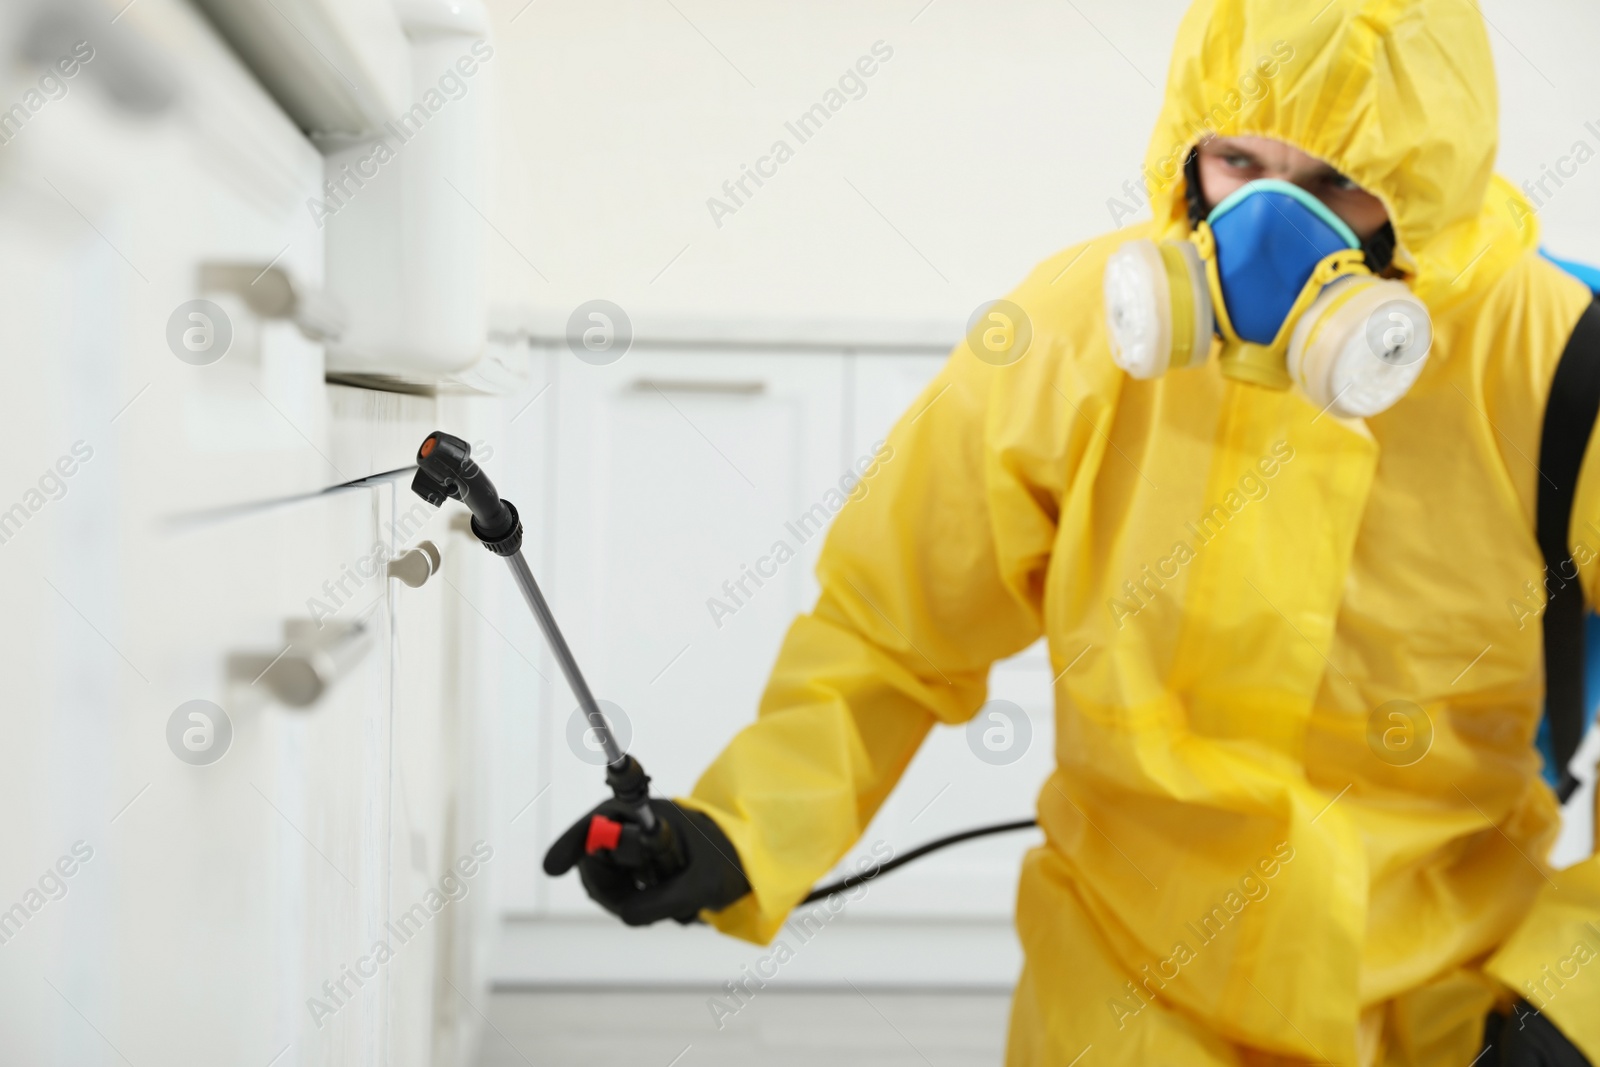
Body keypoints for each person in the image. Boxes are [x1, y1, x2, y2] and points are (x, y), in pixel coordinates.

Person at [546, 0, 1600, 1062]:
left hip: (1453, 999)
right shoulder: (1069, 335)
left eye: (1335, 182)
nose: (1272, 233)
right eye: (1236, 160)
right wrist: (743, 826)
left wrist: (1571, 994)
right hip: (1131, 990)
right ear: (1185, 152)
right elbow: (892, 627)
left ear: (1435, 175)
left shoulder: (1556, 362)